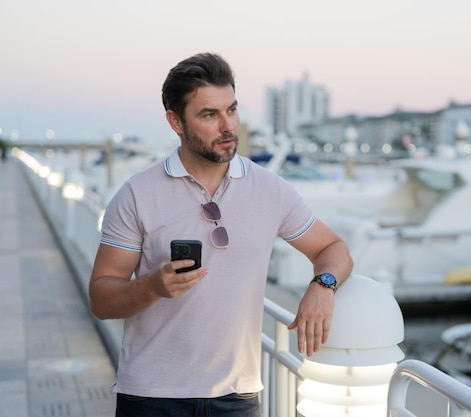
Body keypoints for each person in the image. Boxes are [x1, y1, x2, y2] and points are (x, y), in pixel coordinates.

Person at [88, 52, 353, 417]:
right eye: (209, 115)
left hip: (237, 398)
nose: (228, 126)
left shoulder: (271, 189)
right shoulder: (137, 194)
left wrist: (323, 285)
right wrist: (152, 287)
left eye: (232, 110)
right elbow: (101, 297)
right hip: (151, 396)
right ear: (175, 121)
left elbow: (333, 248)